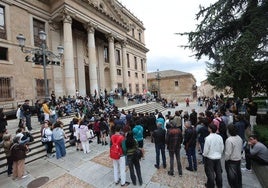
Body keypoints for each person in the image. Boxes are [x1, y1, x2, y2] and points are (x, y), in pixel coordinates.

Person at [203, 123, 224, 188]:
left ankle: (211, 185)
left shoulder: (208, 138)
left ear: (210, 129)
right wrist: (219, 153)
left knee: (210, 173)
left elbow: (206, 149)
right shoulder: (219, 137)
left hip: (210, 157)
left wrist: (204, 155)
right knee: (218, 172)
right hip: (217, 157)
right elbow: (222, 147)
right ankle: (219, 185)